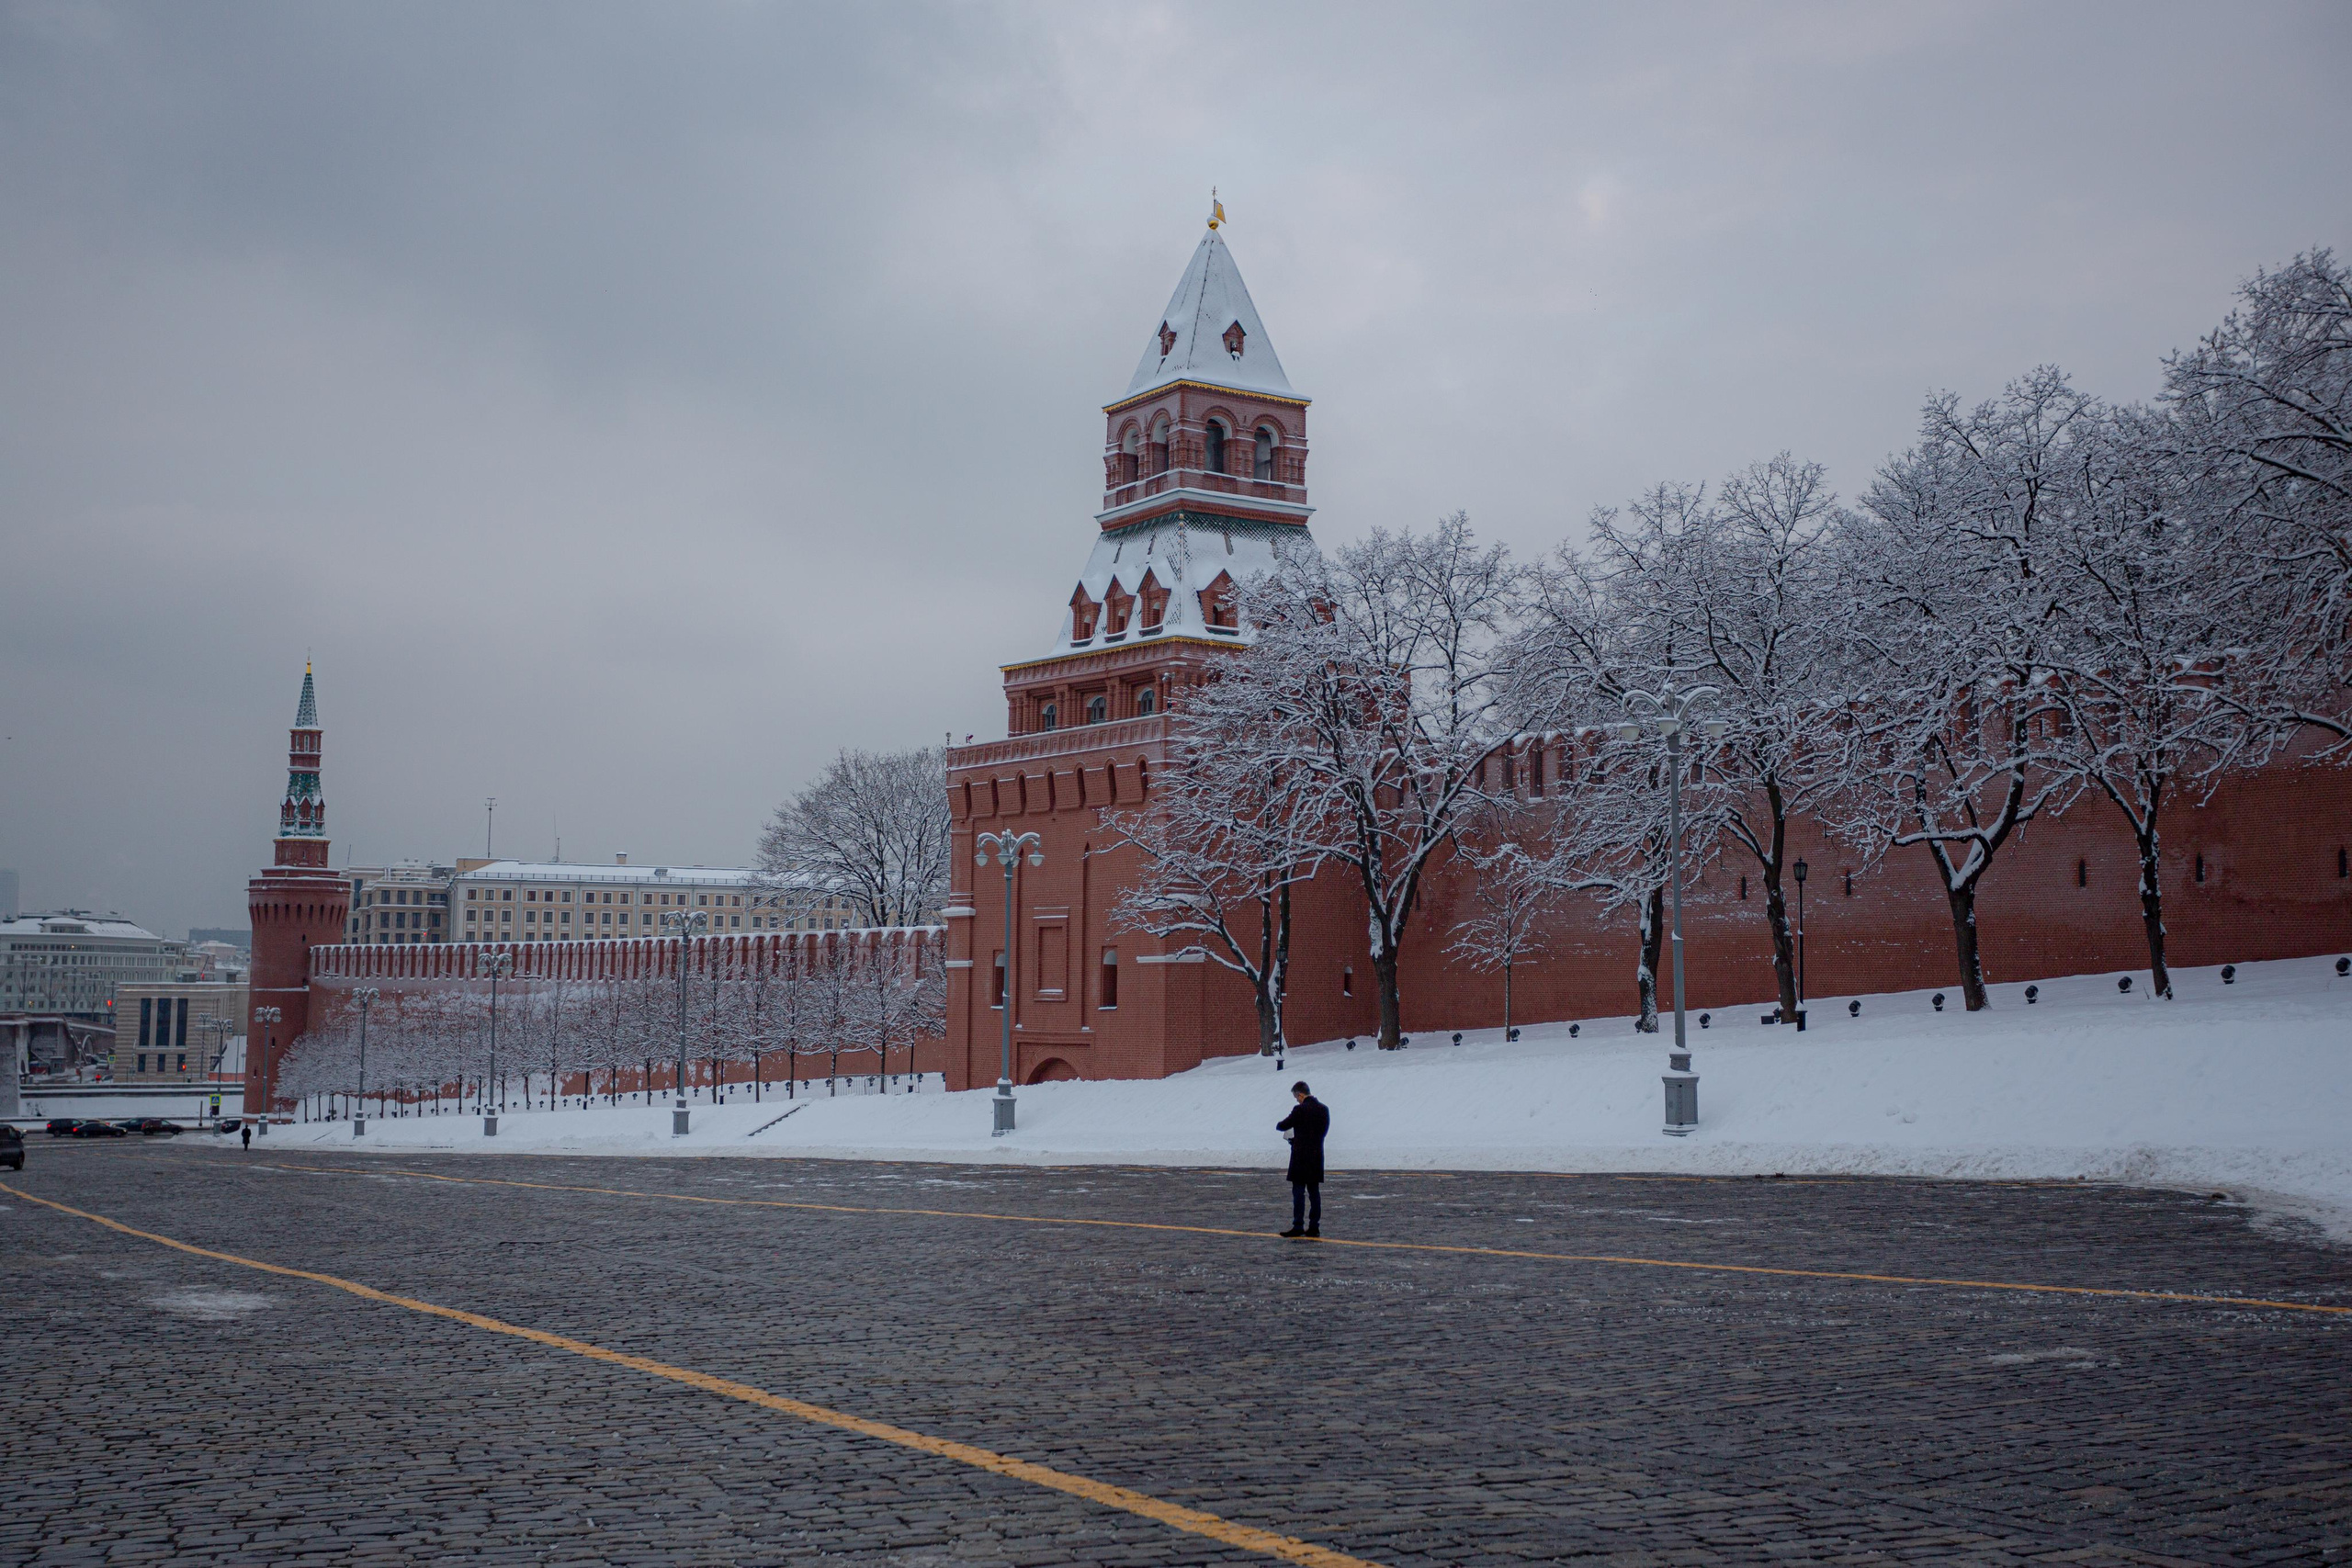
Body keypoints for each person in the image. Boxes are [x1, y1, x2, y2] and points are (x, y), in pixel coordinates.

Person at [1276, 1081, 1329, 1237]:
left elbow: (1283, 1125)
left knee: (1298, 1192)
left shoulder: (1300, 1109)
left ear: (1300, 1094)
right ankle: (1314, 1226)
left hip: (1300, 1157)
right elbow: (1323, 1132)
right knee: (1314, 1192)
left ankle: (1298, 1225)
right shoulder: (1324, 1109)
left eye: (1296, 1097)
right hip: (1317, 1156)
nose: (1296, 1100)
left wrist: (1294, 1138)